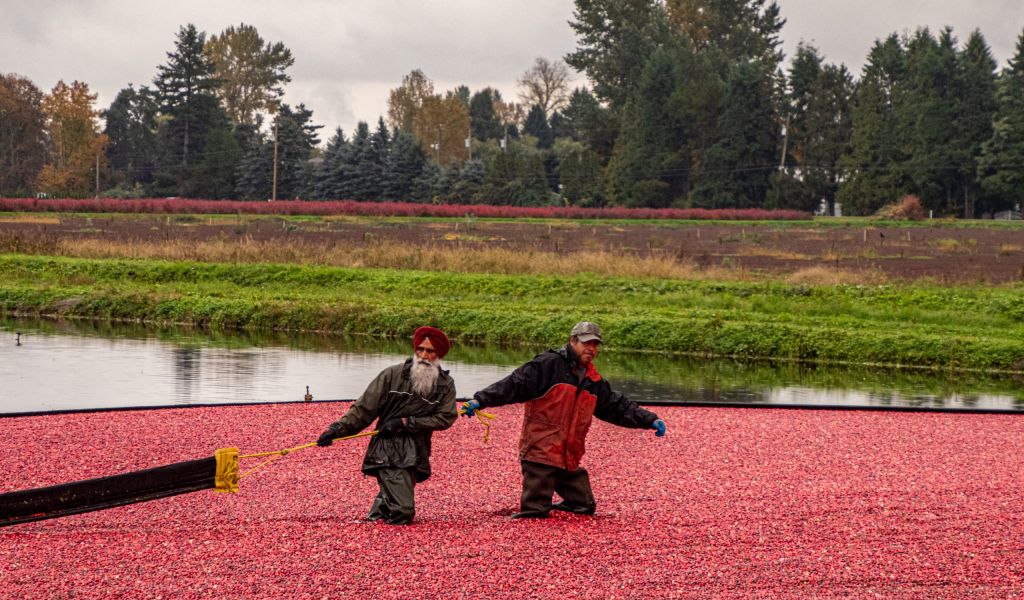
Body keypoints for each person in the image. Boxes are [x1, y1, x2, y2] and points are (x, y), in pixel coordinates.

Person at [464, 321, 667, 519]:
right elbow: (513, 385)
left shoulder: (593, 380)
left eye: (595, 345)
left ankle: (562, 499)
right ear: (573, 341)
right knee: (535, 511)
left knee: (584, 506)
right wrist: (480, 400)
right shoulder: (548, 365)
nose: (591, 349)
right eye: (586, 343)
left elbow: (616, 406)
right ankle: (530, 515)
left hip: (568, 454)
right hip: (540, 451)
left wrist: (649, 420)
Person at [317, 326, 457, 525]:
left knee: (393, 494)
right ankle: (386, 532)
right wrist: (336, 430)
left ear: (439, 355)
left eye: (430, 351)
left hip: (417, 449)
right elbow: (364, 409)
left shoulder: (445, 385)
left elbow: (446, 418)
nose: (424, 355)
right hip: (387, 449)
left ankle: (375, 521)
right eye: (421, 349)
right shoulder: (392, 375)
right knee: (403, 511)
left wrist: (406, 423)